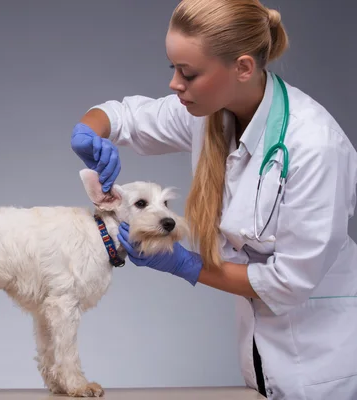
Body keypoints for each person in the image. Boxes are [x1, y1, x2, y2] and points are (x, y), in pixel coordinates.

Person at [70, 0, 357, 399]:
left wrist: (184, 264)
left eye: (188, 73)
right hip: (259, 362)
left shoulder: (314, 146)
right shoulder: (209, 113)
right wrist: (88, 132)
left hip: (321, 366)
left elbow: (287, 284)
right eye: (172, 68)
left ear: (242, 67)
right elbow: (124, 117)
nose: (174, 84)